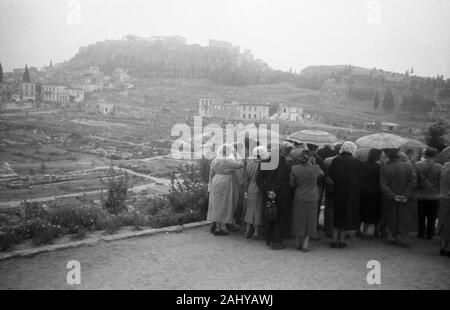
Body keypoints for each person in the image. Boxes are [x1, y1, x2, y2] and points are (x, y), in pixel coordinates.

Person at [380, 149, 417, 247]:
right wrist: (406, 195)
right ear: (399, 157)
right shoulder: (409, 166)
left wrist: (393, 195)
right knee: (405, 217)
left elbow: (383, 185)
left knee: (391, 216)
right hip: (406, 197)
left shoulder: (385, 168)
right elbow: (413, 182)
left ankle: (392, 236)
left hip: (391, 198)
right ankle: (404, 238)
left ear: (390, 157)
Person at [257, 145, 291, 250]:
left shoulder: (264, 161)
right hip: (281, 194)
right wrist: (274, 191)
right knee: (280, 218)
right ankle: (276, 241)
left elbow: (258, 179)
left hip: (268, 194)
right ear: (280, 151)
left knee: (269, 215)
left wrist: (266, 191)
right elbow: (281, 178)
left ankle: (268, 238)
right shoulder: (282, 161)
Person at [328, 141, 361, 248]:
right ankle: (341, 240)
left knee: (337, 214)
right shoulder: (356, 162)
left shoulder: (336, 160)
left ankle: (334, 239)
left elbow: (331, 176)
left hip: (338, 191)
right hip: (351, 193)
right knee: (346, 215)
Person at [290, 149, 324, 252]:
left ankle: (297, 242)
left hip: (299, 196)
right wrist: (313, 163)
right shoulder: (316, 168)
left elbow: (291, 184)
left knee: (298, 219)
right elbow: (322, 174)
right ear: (310, 158)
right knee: (310, 220)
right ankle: (305, 244)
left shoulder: (294, 168)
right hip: (312, 197)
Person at [207, 144, 244, 236]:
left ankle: (216, 225)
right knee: (224, 204)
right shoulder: (228, 161)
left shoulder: (215, 160)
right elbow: (240, 165)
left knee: (216, 204)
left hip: (216, 180)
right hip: (225, 182)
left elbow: (211, 174)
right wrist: (237, 155)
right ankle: (220, 228)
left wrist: (210, 186)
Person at [415, 147, 442, 239]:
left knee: (421, 215)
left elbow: (414, 180)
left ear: (425, 154)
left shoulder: (417, 165)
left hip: (420, 194)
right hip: (434, 195)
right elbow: (440, 181)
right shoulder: (439, 167)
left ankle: (421, 233)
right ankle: (430, 234)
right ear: (434, 156)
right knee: (432, 216)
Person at [358, 148, 382, 239]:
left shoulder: (362, 164)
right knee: (369, 212)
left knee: (361, 210)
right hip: (373, 191)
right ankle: (364, 232)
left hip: (362, 190)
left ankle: (358, 230)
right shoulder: (378, 167)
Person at [243, 146, 265, 240]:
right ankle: (256, 232)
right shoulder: (262, 163)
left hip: (250, 188)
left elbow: (246, 178)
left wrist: (245, 190)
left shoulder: (249, 162)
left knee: (249, 209)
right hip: (258, 188)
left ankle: (248, 230)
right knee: (257, 210)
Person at [323, 143, 343, 238]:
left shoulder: (327, 160)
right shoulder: (344, 161)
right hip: (340, 187)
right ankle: (338, 229)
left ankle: (328, 228)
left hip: (329, 186)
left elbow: (325, 172)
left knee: (328, 208)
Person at [438, 162, 450, 257]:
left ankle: (443, 246)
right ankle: (447, 247)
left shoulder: (445, 168)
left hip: (444, 199)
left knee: (444, 221)